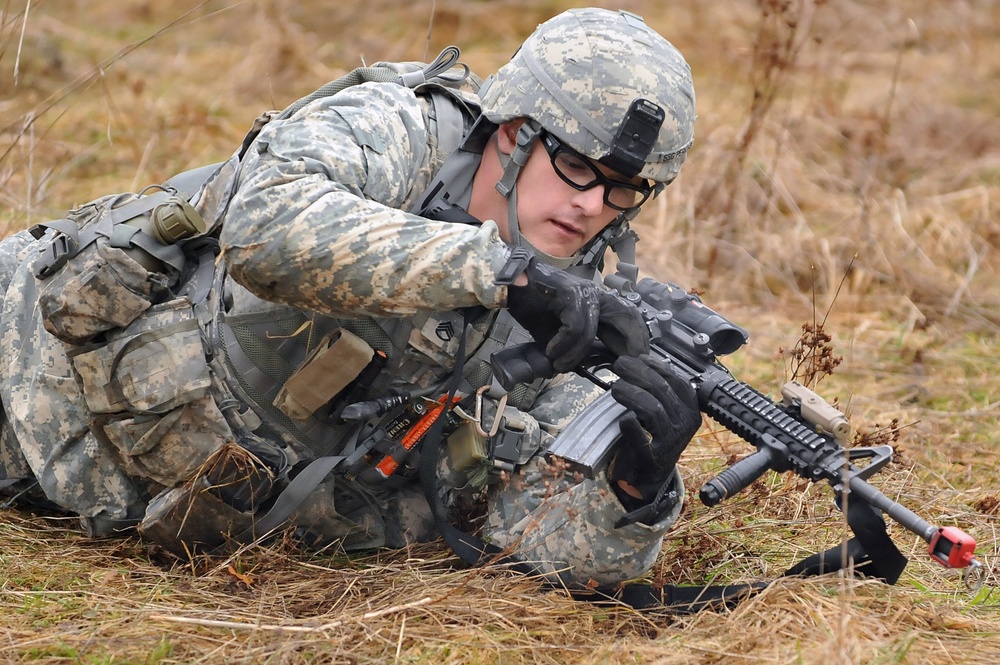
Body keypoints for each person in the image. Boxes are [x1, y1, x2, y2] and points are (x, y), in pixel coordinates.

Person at [0, 7, 701, 589]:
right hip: (28, 360)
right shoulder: (403, 129)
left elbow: (533, 544)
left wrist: (635, 490)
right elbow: (263, 229)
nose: (588, 206)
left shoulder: (578, 316)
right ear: (516, 130)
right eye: (574, 165)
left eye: (620, 189)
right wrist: (497, 268)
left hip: (142, 501)